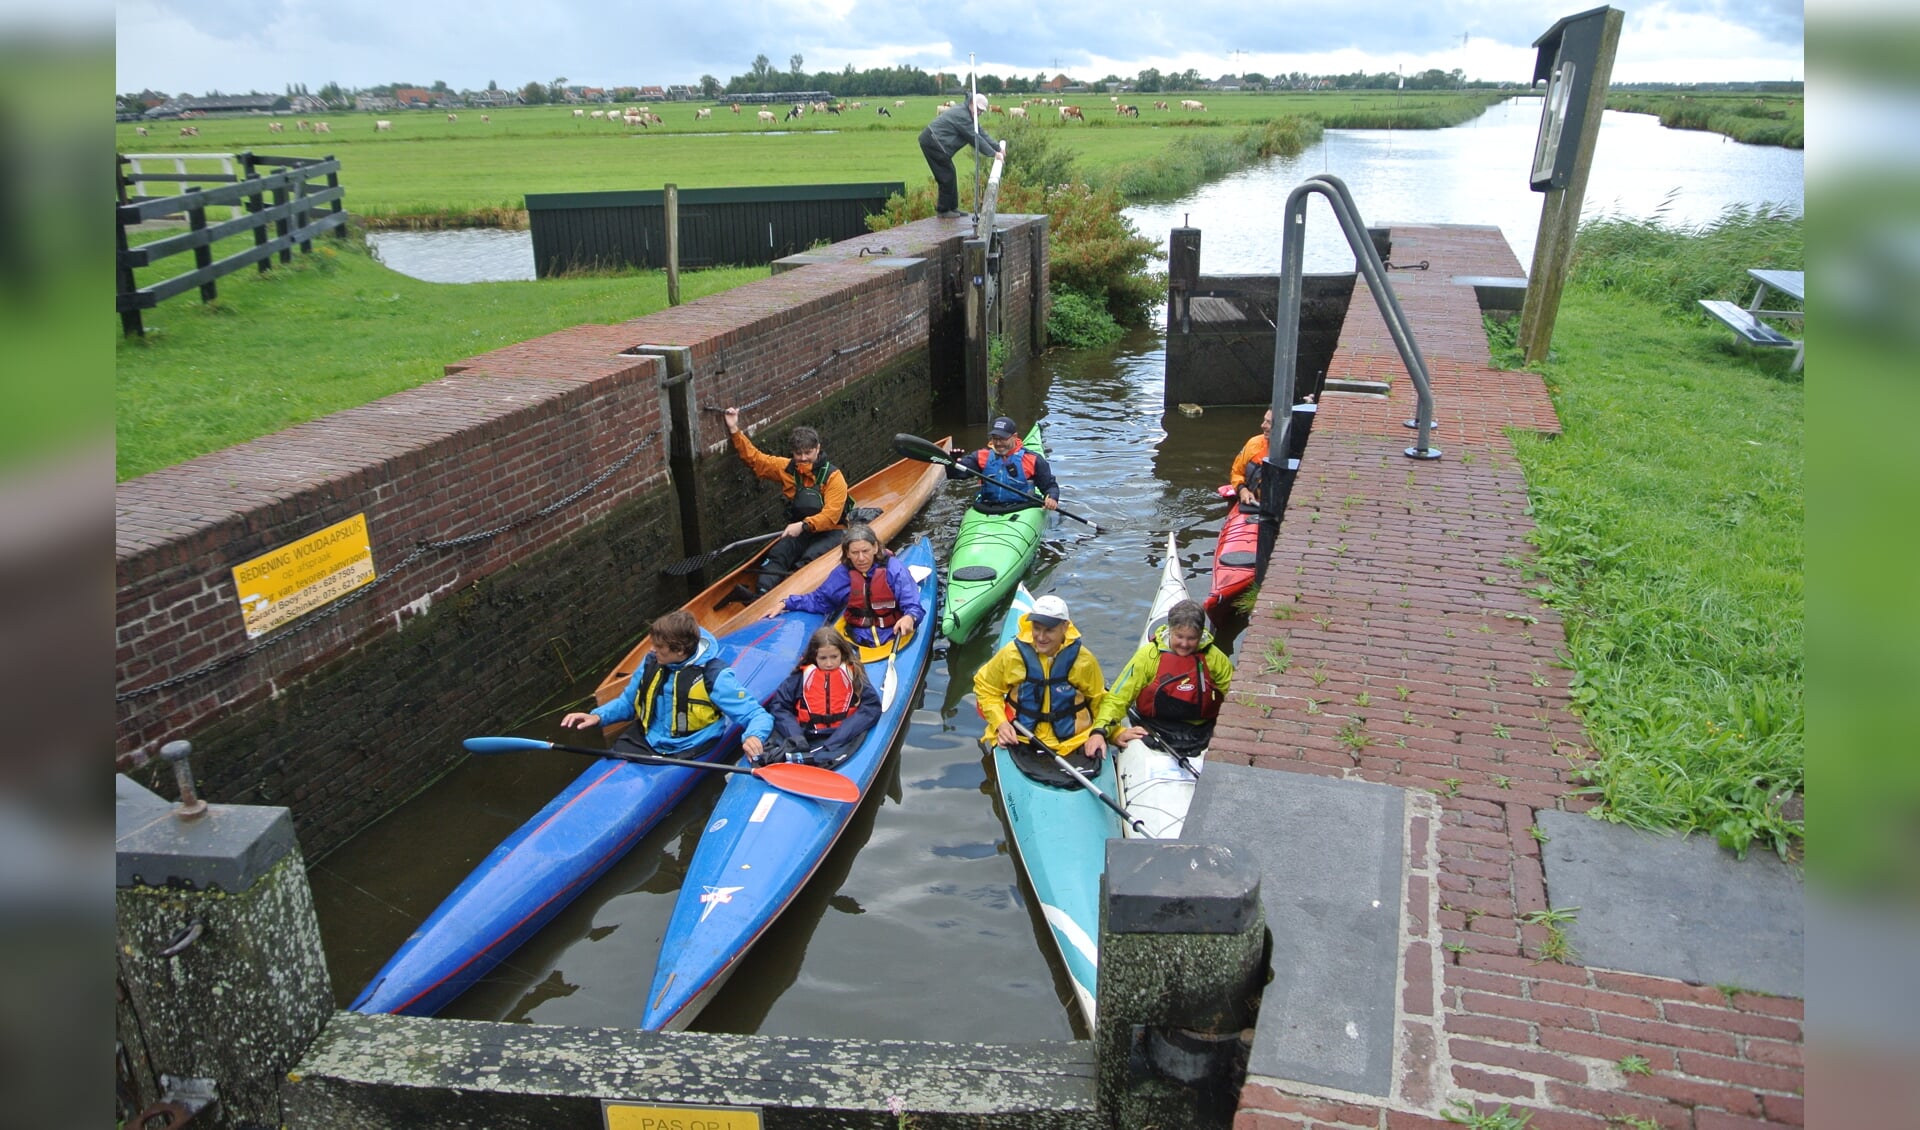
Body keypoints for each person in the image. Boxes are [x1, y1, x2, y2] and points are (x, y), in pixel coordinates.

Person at [562, 609, 774, 763]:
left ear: (680, 650)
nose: (654, 650)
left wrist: (753, 736)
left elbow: (757, 715)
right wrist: (598, 716)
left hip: (691, 747)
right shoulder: (651, 663)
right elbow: (628, 704)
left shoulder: (714, 676)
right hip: (646, 741)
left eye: (660, 647)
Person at [973, 594, 1114, 781]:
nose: (1040, 637)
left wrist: (1103, 732)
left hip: (1075, 741)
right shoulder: (1012, 655)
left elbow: (1100, 700)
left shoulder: (1084, 660)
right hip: (1021, 737)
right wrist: (1001, 723)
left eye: (1049, 630)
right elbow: (986, 688)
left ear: (1065, 627)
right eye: (1036, 628)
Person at [723, 407, 853, 597]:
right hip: (801, 531)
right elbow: (756, 459)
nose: (803, 459)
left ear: (818, 448)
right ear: (792, 452)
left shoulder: (834, 478)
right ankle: (761, 594)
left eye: (808, 453)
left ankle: (789, 592)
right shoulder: (786, 469)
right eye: (798, 454)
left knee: (809, 558)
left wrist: (803, 525)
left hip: (832, 532)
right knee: (778, 554)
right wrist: (734, 429)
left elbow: (830, 516)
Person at [1093, 599, 1233, 756]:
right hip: (1153, 727)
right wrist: (1100, 731)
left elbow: (1235, 696)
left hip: (1202, 729)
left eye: (1192, 638)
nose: (1184, 644)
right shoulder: (1148, 656)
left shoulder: (1214, 658)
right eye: (1179, 636)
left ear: (1201, 634)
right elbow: (1118, 698)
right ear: (1170, 631)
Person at [774, 523, 923, 649]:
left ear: (875, 548)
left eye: (865, 551)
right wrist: (787, 603)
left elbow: (913, 605)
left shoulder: (894, 569)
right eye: (855, 552)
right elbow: (820, 600)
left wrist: (910, 617)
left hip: (893, 634)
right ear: (847, 553)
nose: (861, 558)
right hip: (855, 638)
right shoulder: (841, 575)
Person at [755, 626, 883, 767]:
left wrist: (841, 736)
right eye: (823, 658)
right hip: (805, 736)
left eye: (834, 657)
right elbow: (779, 707)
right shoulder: (799, 678)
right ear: (814, 656)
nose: (829, 663)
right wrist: (796, 736)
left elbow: (871, 707)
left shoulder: (854, 676)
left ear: (842, 654)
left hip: (840, 737)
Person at [947, 415, 1059, 515]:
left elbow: (1050, 486)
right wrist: (952, 461)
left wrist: (1051, 498)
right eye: (995, 438)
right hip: (988, 507)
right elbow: (956, 474)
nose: (998, 443)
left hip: (1023, 508)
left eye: (1003, 439)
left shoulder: (1032, 459)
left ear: (1014, 437)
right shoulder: (982, 456)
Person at [919, 93, 1005, 219]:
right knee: (946, 175)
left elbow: (980, 133)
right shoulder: (963, 116)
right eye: (979, 110)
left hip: (937, 143)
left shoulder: (969, 115)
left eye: (982, 111)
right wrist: (994, 154)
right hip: (933, 142)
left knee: (950, 173)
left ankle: (952, 208)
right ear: (972, 104)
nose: (980, 113)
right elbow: (974, 138)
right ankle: (943, 211)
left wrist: (998, 147)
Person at [1229, 408, 1273, 509]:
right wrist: (1242, 489)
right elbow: (1236, 472)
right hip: (1252, 503)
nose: (1263, 425)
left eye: (1269, 422)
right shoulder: (1254, 444)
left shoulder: (1295, 452)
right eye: (1264, 420)